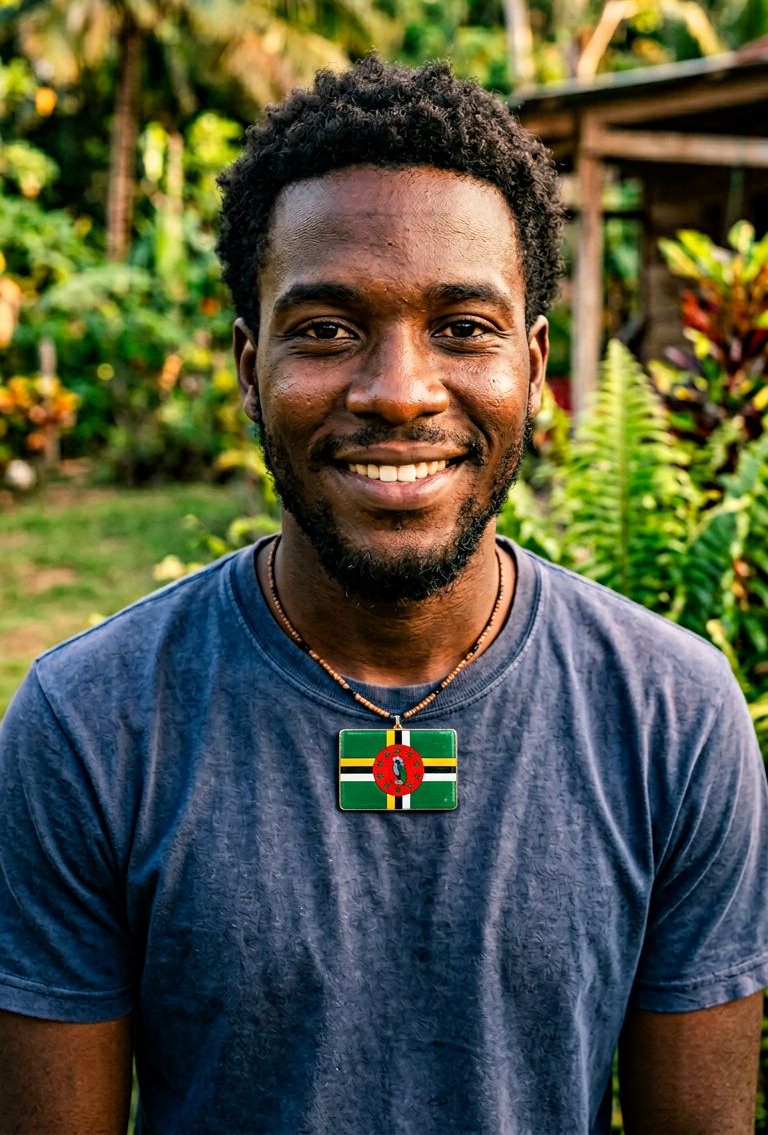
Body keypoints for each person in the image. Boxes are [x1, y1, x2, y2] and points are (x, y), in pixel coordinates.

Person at [0, 58, 766, 1135]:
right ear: (247, 364)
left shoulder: (673, 718)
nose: (399, 389)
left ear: (534, 369)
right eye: (325, 327)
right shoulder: (92, 726)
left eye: (463, 326)